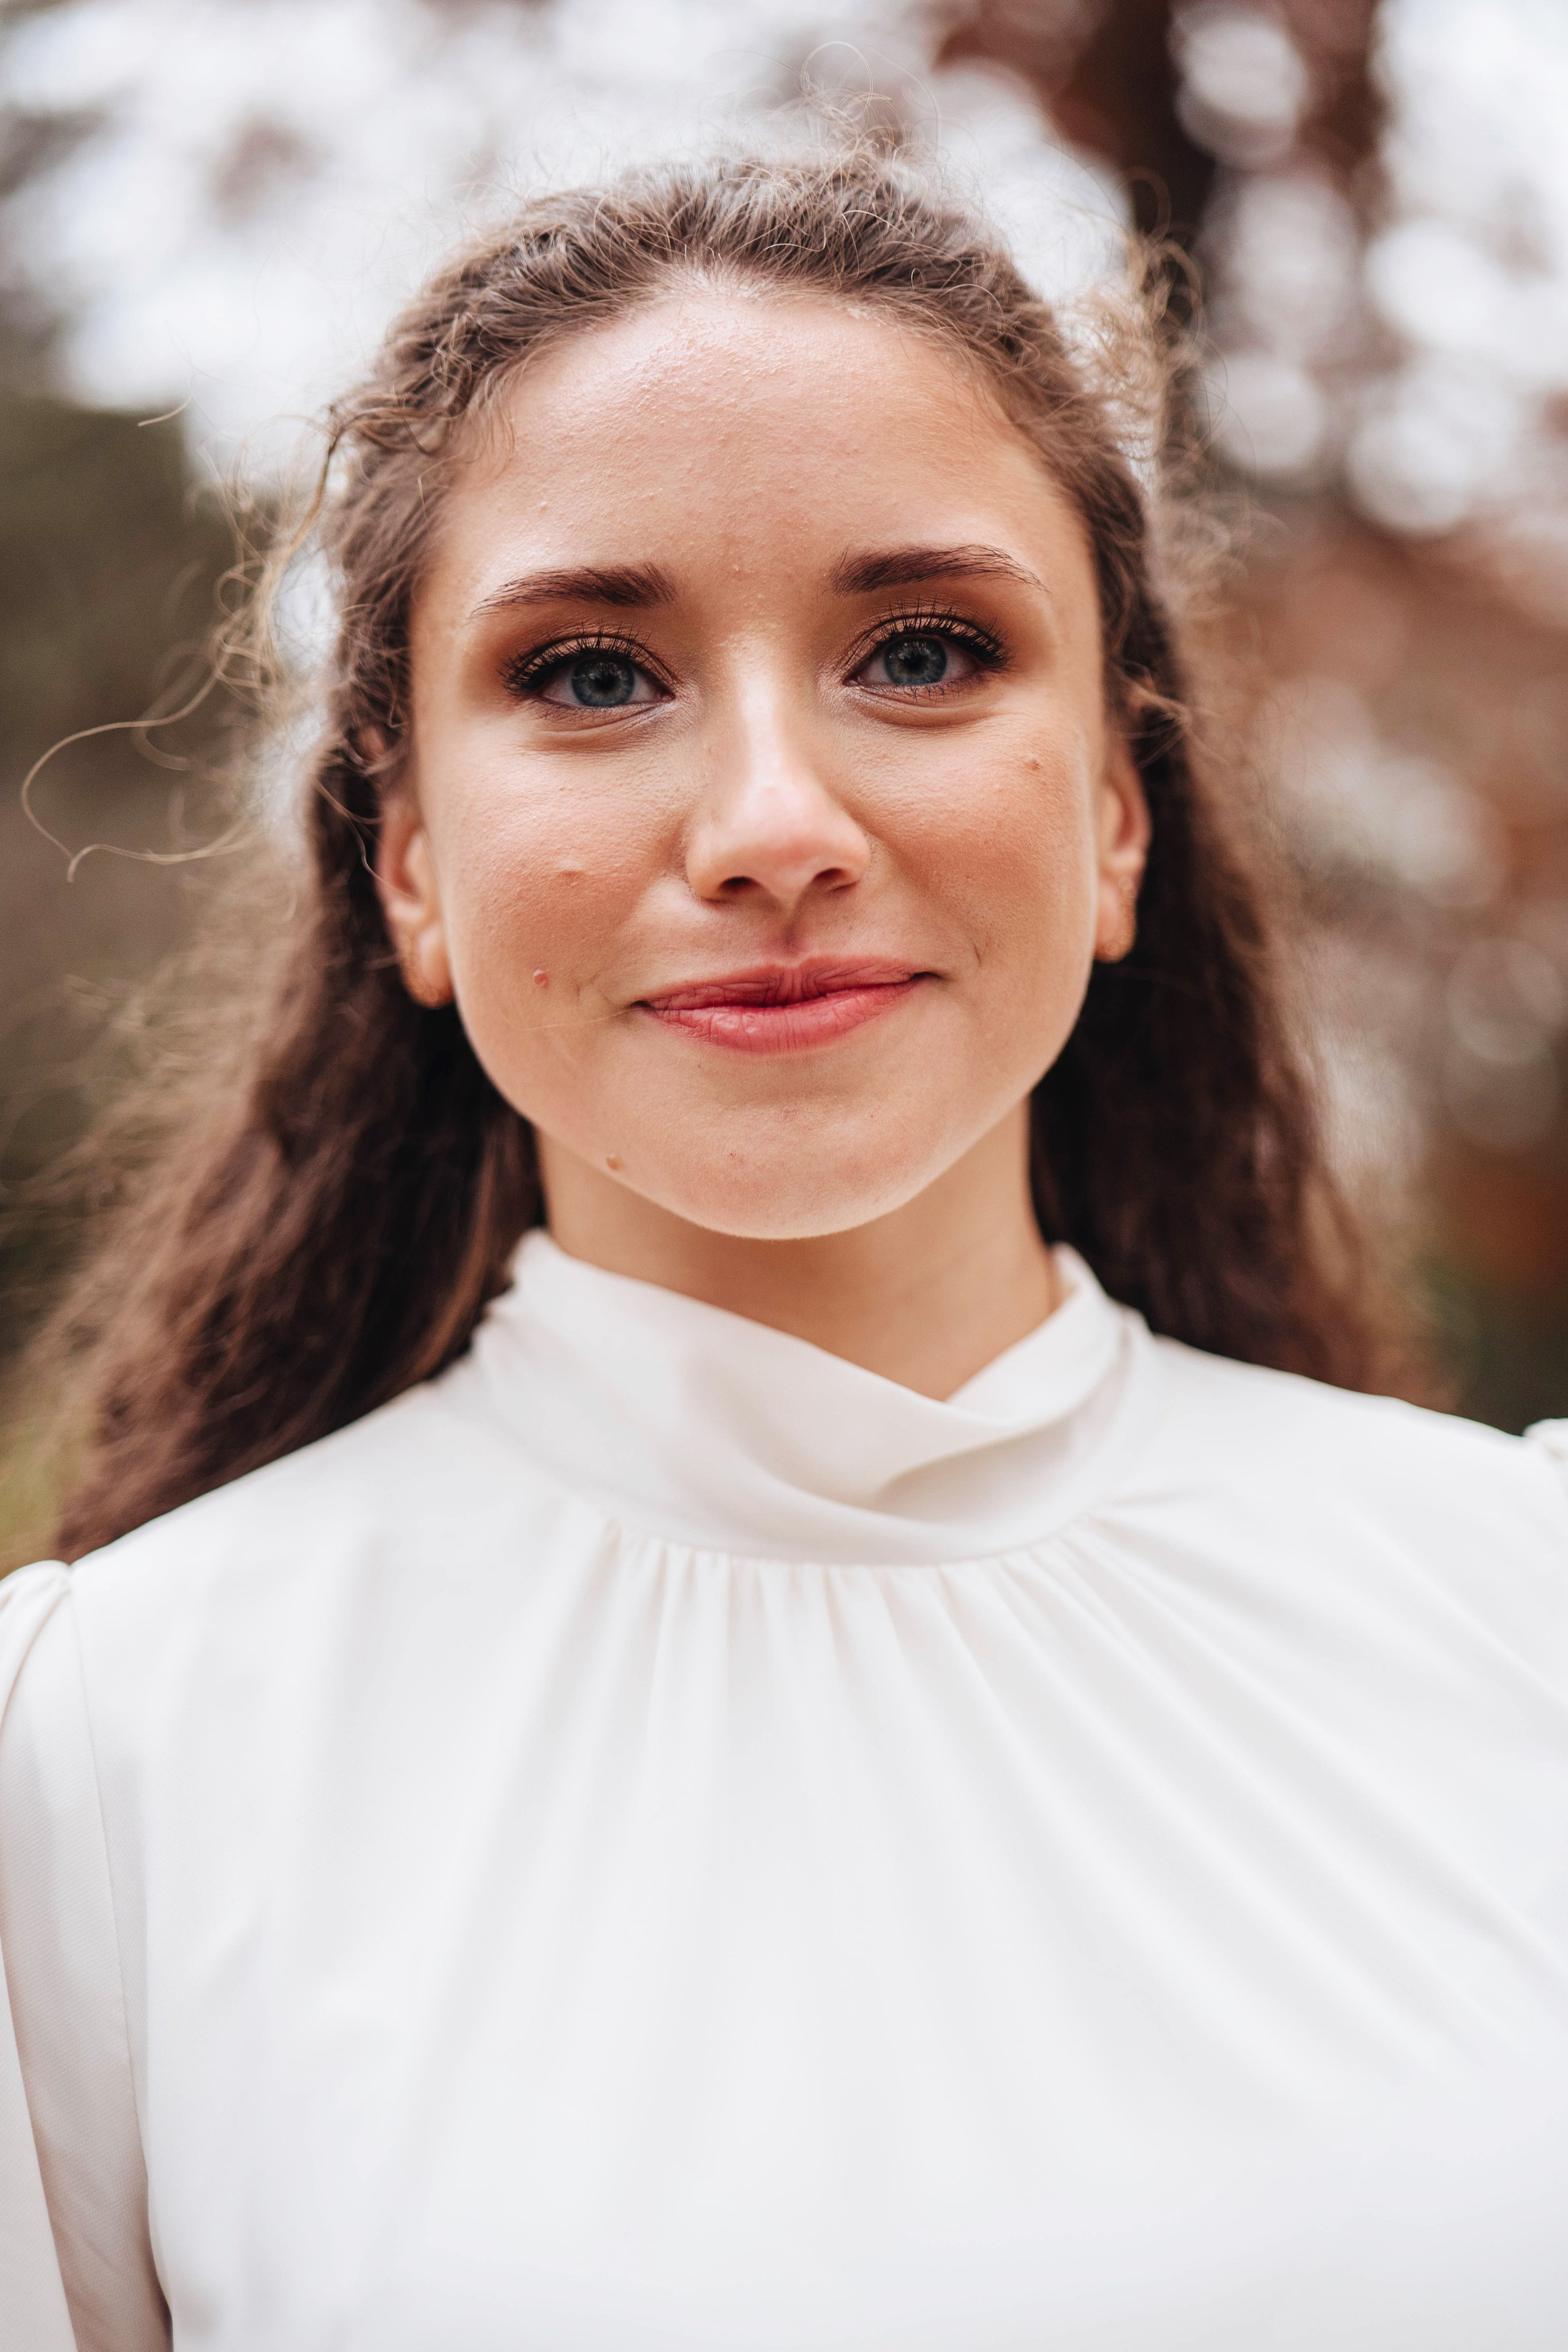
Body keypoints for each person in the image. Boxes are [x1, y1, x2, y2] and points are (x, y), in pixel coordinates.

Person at [2, 146, 1566, 2352]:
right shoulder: (99, 1764)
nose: (770, 829)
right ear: (411, 861)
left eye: (921, 652)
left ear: (1118, 812)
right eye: (591, 674)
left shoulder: (1528, 1623)